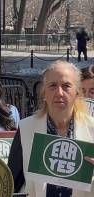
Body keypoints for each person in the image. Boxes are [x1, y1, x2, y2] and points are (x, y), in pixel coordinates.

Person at [8, 60, 94, 196]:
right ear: (44, 93)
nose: (59, 93)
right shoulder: (26, 128)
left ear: (77, 92)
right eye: (53, 86)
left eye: (66, 86)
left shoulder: (92, 130)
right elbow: (11, 185)